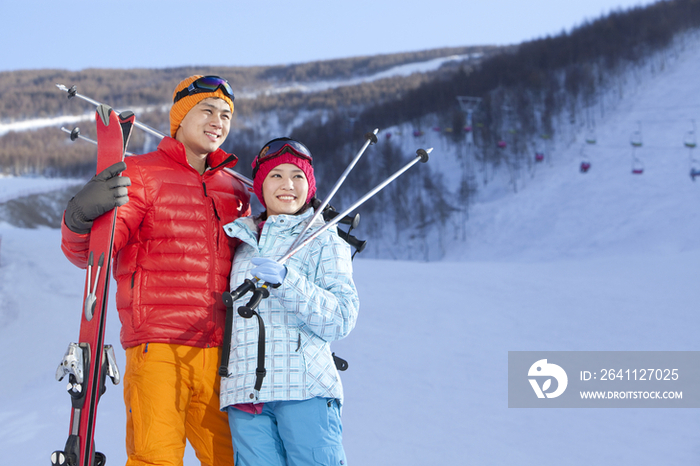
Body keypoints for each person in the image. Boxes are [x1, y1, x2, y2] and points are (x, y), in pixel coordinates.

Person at [60, 75, 251, 466]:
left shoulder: (235, 190)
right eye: (208, 110)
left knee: (234, 459)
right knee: (156, 458)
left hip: (222, 355)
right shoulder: (142, 174)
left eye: (226, 115)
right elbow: (89, 254)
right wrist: (80, 216)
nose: (218, 120)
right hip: (159, 347)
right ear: (180, 117)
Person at [220, 137, 359, 466]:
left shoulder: (323, 240)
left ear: (309, 186)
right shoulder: (240, 241)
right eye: (276, 175)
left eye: (297, 176)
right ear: (260, 185)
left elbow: (341, 317)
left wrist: (288, 281)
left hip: (304, 392)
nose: (288, 185)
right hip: (245, 396)